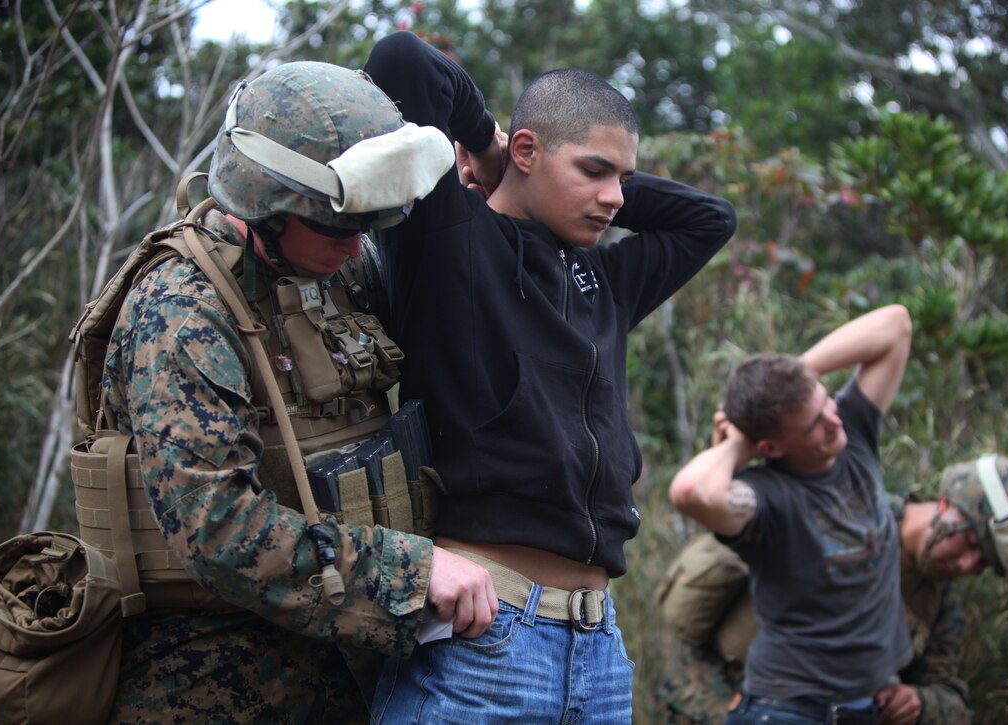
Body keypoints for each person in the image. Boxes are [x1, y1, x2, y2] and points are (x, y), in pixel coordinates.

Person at [95, 61, 496, 723]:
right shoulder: (182, 306)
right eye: (339, 225)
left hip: (357, 668)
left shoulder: (341, 270)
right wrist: (409, 572)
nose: (358, 242)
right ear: (266, 202)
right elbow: (215, 525)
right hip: (215, 676)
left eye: (369, 223)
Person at [362, 30, 737, 722]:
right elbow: (400, 62)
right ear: (530, 151)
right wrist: (488, 145)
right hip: (485, 636)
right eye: (595, 171)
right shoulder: (449, 236)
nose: (616, 197)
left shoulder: (606, 279)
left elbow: (709, 220)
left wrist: (585, 174)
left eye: (624, 177)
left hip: (598, 648)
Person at [658, 454, 1008, 725]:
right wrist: (725, 710)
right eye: (973, 545)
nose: (967, 565)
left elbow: (952, 700)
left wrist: (918, 704)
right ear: (945, 504)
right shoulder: (840, 511)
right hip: (717, 700)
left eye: (982, 565)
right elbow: (691, 625)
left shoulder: (939, 602)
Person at [669, 304, 915, 724]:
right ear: (770, 448)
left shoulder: (852, 430)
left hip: (864, 708)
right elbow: (692, 492)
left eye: (826, 403)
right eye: (813, 425)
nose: (833, 422)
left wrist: (791, 378)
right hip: (787, 710)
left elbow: (896, 324)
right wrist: (738, 441)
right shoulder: (766, 498)